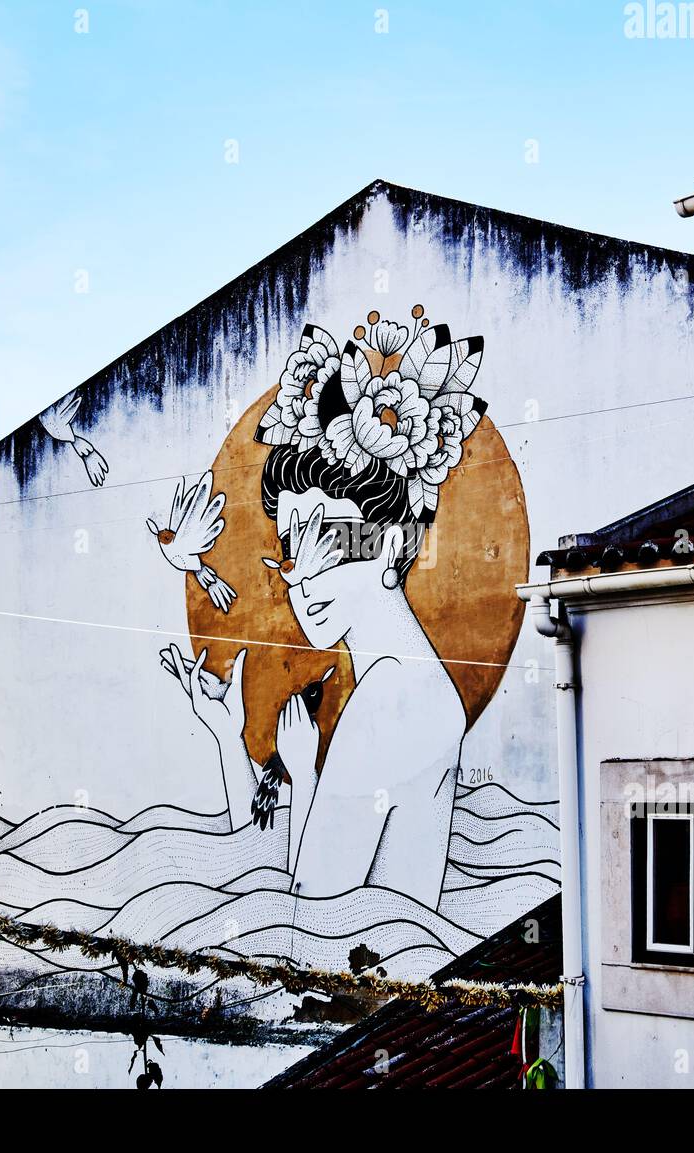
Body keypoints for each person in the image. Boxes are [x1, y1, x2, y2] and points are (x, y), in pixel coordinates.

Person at [164, 313, 486, 911]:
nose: (298, 576)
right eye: (290, 546)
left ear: (392, 545)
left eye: (327, 540)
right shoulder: (418, 685)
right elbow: (366, 908)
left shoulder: (388, 705)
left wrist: (307, 779)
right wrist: (267, 756)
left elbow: (306, 917)